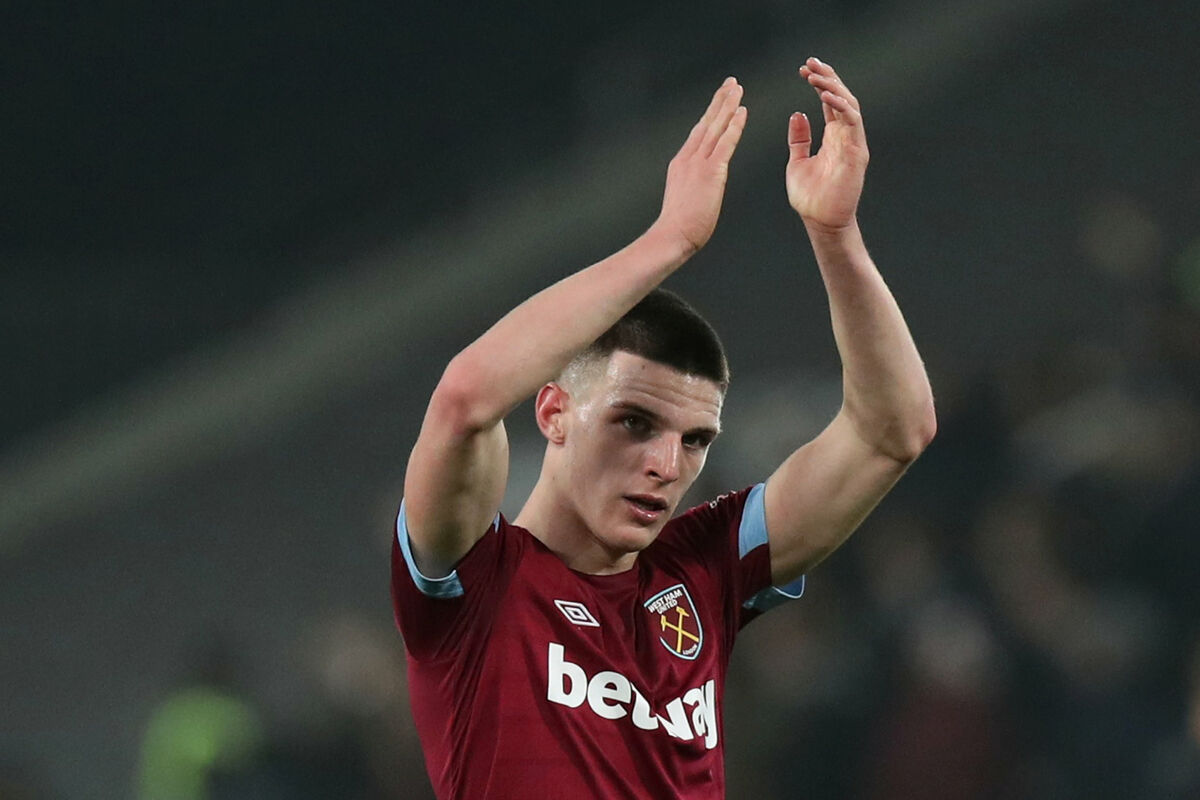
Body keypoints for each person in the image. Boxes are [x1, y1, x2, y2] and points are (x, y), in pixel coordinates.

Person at [391, 57, 936, 799]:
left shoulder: (703, 570)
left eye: (695, 439)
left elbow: (891, 433)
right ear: (553, 412)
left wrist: (835, 234)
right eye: (634, 422)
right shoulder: (475, 582)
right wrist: (669, 240)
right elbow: (464, 402)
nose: (666, 465)